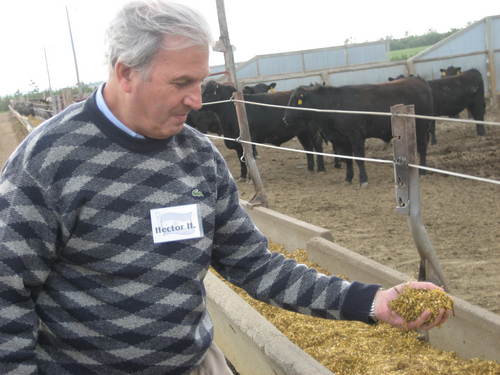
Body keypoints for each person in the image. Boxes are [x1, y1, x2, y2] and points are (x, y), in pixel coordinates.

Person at [0, 1, 452, 374]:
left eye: (200, 81)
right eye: (181, 83)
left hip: (194, 363)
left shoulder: (196, 156)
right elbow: (7, 290)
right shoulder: (50, 160)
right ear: (125, 73)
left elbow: (254, 265)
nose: (196, 100)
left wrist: (371, 301)